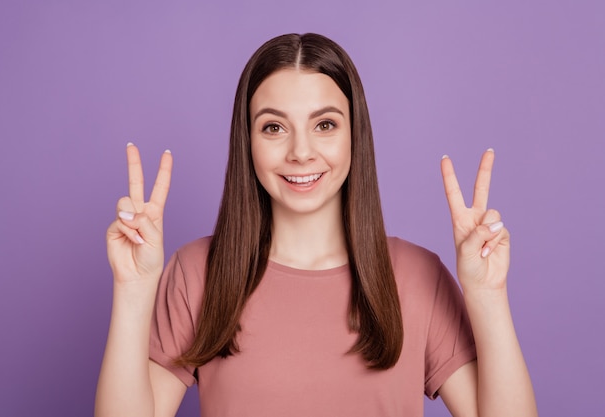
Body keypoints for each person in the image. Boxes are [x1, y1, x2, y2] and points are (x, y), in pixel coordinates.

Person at [95, 33, 537, 417]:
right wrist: (133, 292)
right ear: (247, 141)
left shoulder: (418, 277)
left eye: (325, 124)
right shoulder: (198, 272)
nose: (301, 152)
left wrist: (488, 295)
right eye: (274, 128)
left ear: (354, 135)